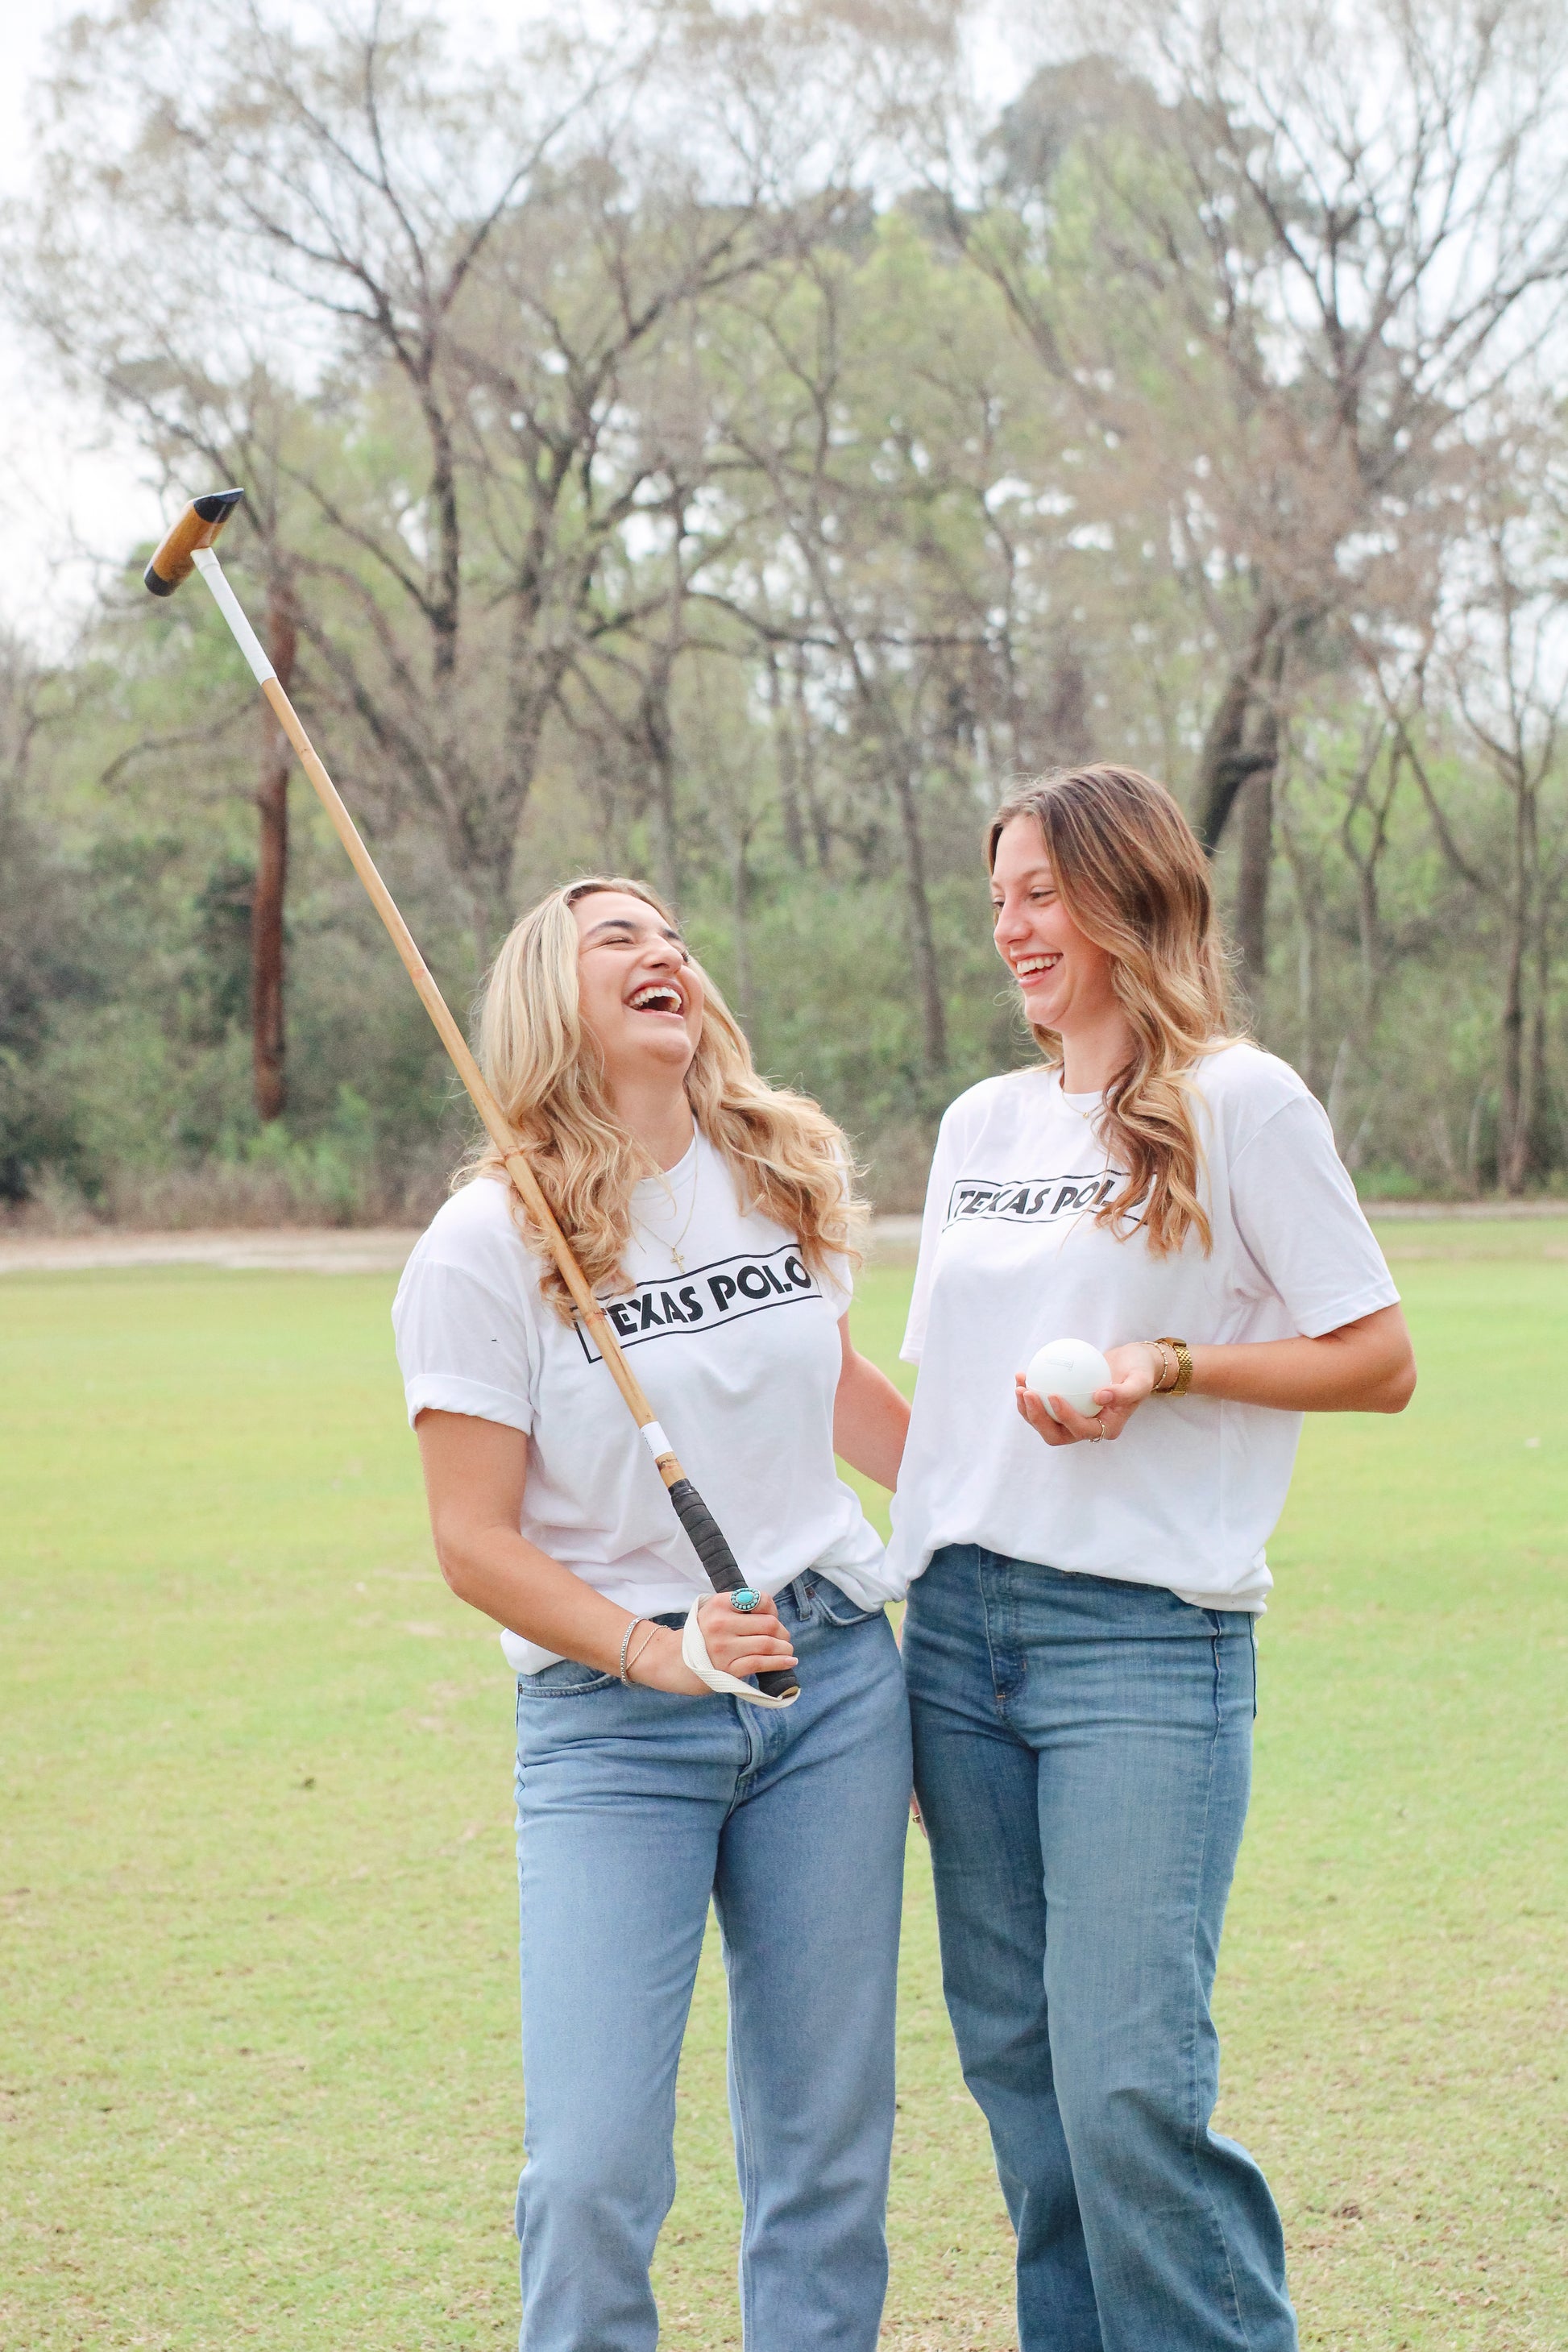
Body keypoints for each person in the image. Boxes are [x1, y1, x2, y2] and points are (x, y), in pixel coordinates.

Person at [889, 765, 1416, 2352]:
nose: (1011, 926)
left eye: (1040, 890)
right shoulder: (980, 1120)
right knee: (1026, 2094)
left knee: (1123, 2088)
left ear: (1128, 895)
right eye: (996, 898)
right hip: (956, 1636)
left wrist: (1165, 1367)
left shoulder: (1242, 1100)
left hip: (1140, 1645)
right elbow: (941, 1414)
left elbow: (1377, 1354)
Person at [391, 877, 911, 2352]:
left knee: (825, 2145)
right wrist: (656, 1650)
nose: (660, 949)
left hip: (829, 1692)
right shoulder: (489, 1242)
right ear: (549, 997)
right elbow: (470, 1541)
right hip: (614, 1723)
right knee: (594, 2169)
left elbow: (843, 1400)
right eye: (614, 934)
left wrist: (1006, 1500)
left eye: (670, 931)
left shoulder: (778, 1174)